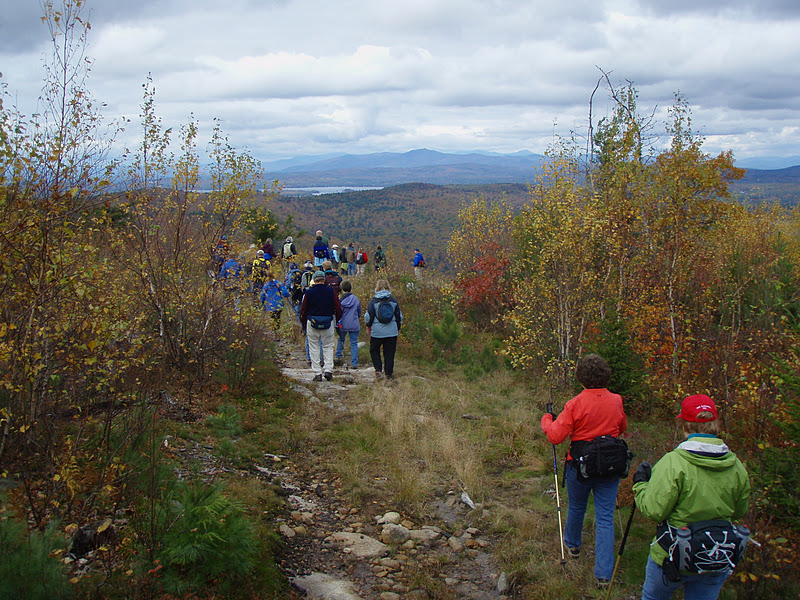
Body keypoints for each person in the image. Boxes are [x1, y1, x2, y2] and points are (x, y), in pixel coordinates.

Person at [633, 395, 751, 600]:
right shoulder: (736, 466)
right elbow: (739, 511)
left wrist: (640, 485)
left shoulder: (673, 463)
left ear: (685, 425)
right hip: (715, 556)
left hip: (672, 555)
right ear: (714, 424)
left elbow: (654, 510)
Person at [540, 354, 627, 588]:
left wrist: (546, 420)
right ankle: (604, 575)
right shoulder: (616, 400)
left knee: (577, 506)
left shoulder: (575, 403)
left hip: (580, 466)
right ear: (605, 375)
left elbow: (555, 436)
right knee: (605, 517)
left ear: (581, 377)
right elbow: (622, 427)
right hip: (609, 466)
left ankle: (572, 545)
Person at [300, 271, 342, 382]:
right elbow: (338, 308)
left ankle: (317, 372)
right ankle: (328, 370)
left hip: (312, 322)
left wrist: (304, 324)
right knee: (328, 346)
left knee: (314, 347)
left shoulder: (309, 292)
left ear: (314, 280)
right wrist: (336, 320)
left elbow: (303, 310)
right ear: (324, 280)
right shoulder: (331, 291)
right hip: (328, 322)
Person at [364, 279, 402, 381]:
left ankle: (378, 370)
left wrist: (368, 326)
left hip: (377, 332)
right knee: (389, 353)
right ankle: (388, 374)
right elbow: (399, 316)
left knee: (374, 350)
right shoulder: (393, 301)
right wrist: (398, 328)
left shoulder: (373, 301)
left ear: (377, 288)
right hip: (392, 331)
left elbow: (368, 317)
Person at [335, 281, 362, 369]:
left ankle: (338, 356)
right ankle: (354, 363)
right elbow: (359, 311)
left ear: (342, 289)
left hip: (343, 324)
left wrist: (337, 323)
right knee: (354, 343)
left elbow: (339, 312)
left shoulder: (341, 300)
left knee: (341, 339)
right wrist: (357, 317)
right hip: (354, 324)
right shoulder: (355, 299)